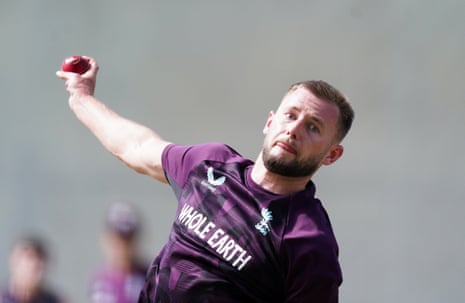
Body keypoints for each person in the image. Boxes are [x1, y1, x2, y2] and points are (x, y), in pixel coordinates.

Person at [56, 56, 354, 303]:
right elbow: (136, 146)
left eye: (313, 127)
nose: (294, 130)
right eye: (290, 115)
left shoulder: (309, 242)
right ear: (269, 122)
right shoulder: (212, 165)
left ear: (332, 155)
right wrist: (81, 98)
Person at [89, 202, 148, 303]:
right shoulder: (99, 282)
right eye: (117, 240)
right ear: (105, 239)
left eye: (127, 240)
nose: (122, 247)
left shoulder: (150, 278)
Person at [0, 235, 65, 303]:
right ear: (13, 262)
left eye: (37, 265)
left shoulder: (56, 300)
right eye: (28, 259)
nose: (32, 266)